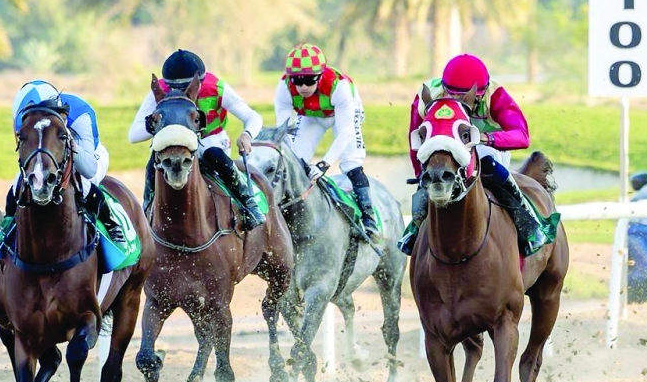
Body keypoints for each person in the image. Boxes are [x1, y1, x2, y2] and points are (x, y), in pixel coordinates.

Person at [399, 53, 549, 256]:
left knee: (484, 159)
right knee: (431, 168)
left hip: (487, 147)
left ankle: (528, 223)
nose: (461, 100)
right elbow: (415, 137)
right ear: (444, 88)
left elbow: (522, 136)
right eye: (454, 95)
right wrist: (420, 173)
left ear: (483, 90)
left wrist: (485, 138)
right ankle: (414, 228)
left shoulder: (495, 94)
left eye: (469, 95)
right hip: (444, 148)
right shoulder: (427, 95)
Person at [128, 49, 265, 228]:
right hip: (175, 142)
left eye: (189, 86)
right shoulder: (160, 91)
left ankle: (249, 204)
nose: (183, 92)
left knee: (214, 155)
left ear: (200, 81)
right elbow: (134, 135)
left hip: (211, 140)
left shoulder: (216, 87)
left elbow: (252, 116)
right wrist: (158, 123)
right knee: (152, 163)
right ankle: (147, 213)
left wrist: (247, 135)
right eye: (175, 88)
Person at [274, 43, 379, 238]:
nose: (303, 87)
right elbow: (283, 132)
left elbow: (346, 132)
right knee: (295, 161)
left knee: (352, 164)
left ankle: (369, 219)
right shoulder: (284, 88)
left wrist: (324, 164)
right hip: (311, 116)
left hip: (343, 115)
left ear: (320, 76)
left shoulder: (339, 86)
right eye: (297, 80)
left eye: (309, 80)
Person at [7, 80, 127, 247]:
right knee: (16, 185)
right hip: (50, 157)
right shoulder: (23, 120)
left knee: (85, 184)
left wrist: (71, 143)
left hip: (87, 156)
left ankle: (112, 225)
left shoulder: (80, 114)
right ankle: (6, 228)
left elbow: (89, 169)